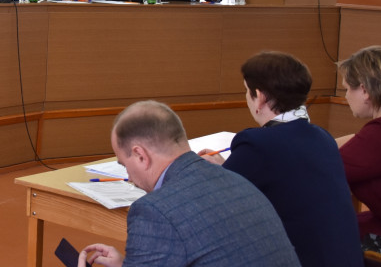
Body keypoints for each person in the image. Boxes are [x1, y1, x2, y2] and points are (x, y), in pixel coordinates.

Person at [78, 100, 300, 267]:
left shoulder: (153, 211)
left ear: (140, 155)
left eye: (124, 165)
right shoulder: (237, 181)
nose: (129, 177)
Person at [198, 52, 362, 267]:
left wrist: (210, 171)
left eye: (246, 90)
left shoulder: (257, 144)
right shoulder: (323, 137)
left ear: (260, 96)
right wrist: (225, 168)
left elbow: (216, 200)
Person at [336, 45, 381, 258]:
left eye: (347, 89)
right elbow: (359, 143)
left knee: (317, 236)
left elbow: (327, 170)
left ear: (365, 90)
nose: (346, 96)